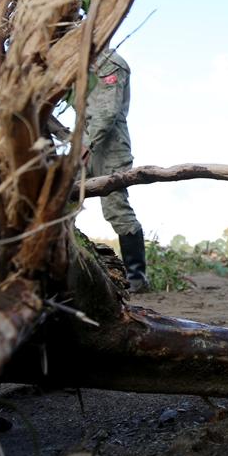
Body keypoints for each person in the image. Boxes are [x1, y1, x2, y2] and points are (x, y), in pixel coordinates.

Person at [83, 47, 150, 293]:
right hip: (84, 138)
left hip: (110, 144)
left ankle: (137, 278)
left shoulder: (110, 63)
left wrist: (86, 145)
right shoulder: (74, 61)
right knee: (62, 200)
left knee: (115, 207)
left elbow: (107, 112)